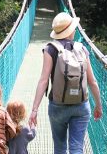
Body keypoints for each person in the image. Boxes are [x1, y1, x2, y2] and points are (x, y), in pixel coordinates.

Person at [29, 12, 102, 154]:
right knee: (76, 147)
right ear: (70, 31)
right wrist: (98, 105)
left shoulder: (50, 49)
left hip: (57, 106)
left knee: (60, 147)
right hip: (81, 105)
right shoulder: (82, 49)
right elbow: (92, 82)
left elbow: (43, 80)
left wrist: (34, 110)